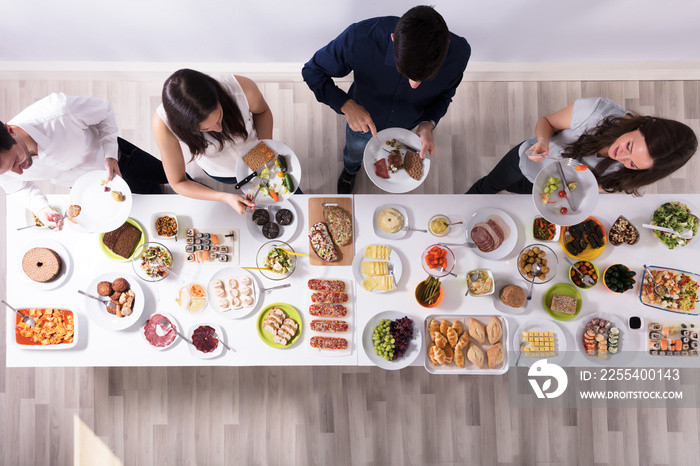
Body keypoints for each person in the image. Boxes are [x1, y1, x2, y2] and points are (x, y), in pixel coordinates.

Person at [302, 5, 471, 194]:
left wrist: (427, 123)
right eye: (408, 74)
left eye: (424, 78)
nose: (414, 86)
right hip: (363, 120)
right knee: (355, 150)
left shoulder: (458, 55)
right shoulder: (360, 38)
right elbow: (312, 71)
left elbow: (445, 95)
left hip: (408, 124)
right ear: (393, 40)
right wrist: (346, 105)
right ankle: (350, 171)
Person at [0, 93, 168, 230]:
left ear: (10, 130)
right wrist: (41, 208)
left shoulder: (59, 111)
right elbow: (18, 188)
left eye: (16, 161)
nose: (20, 173)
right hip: (89, 187)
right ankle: (159, 192)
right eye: (8, 171)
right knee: (149, 201)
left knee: (170, 176)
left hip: (119, 158)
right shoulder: (3, 167)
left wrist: (110, 154)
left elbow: (105, 112)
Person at [466, 97, 698, 196]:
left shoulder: (632, 172)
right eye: (629, 145)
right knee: (489, 186)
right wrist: (543, 142)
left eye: (632, 164)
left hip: (551, 188)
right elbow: (547, 121)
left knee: (516, 192)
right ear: (648, 124)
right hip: (525, 160)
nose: (621, 158)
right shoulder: (596, 111)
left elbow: (602, 187)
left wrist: (591, 190)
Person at [152, 69, 274, 215]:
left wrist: (262, 151)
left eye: (219, 116)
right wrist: (224, 197)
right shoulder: (162, 126)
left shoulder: (242, 88)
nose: (219, 128)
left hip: (257, 153)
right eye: (205, 129)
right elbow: (178, 182)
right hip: (221, 171)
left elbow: (262, 111)